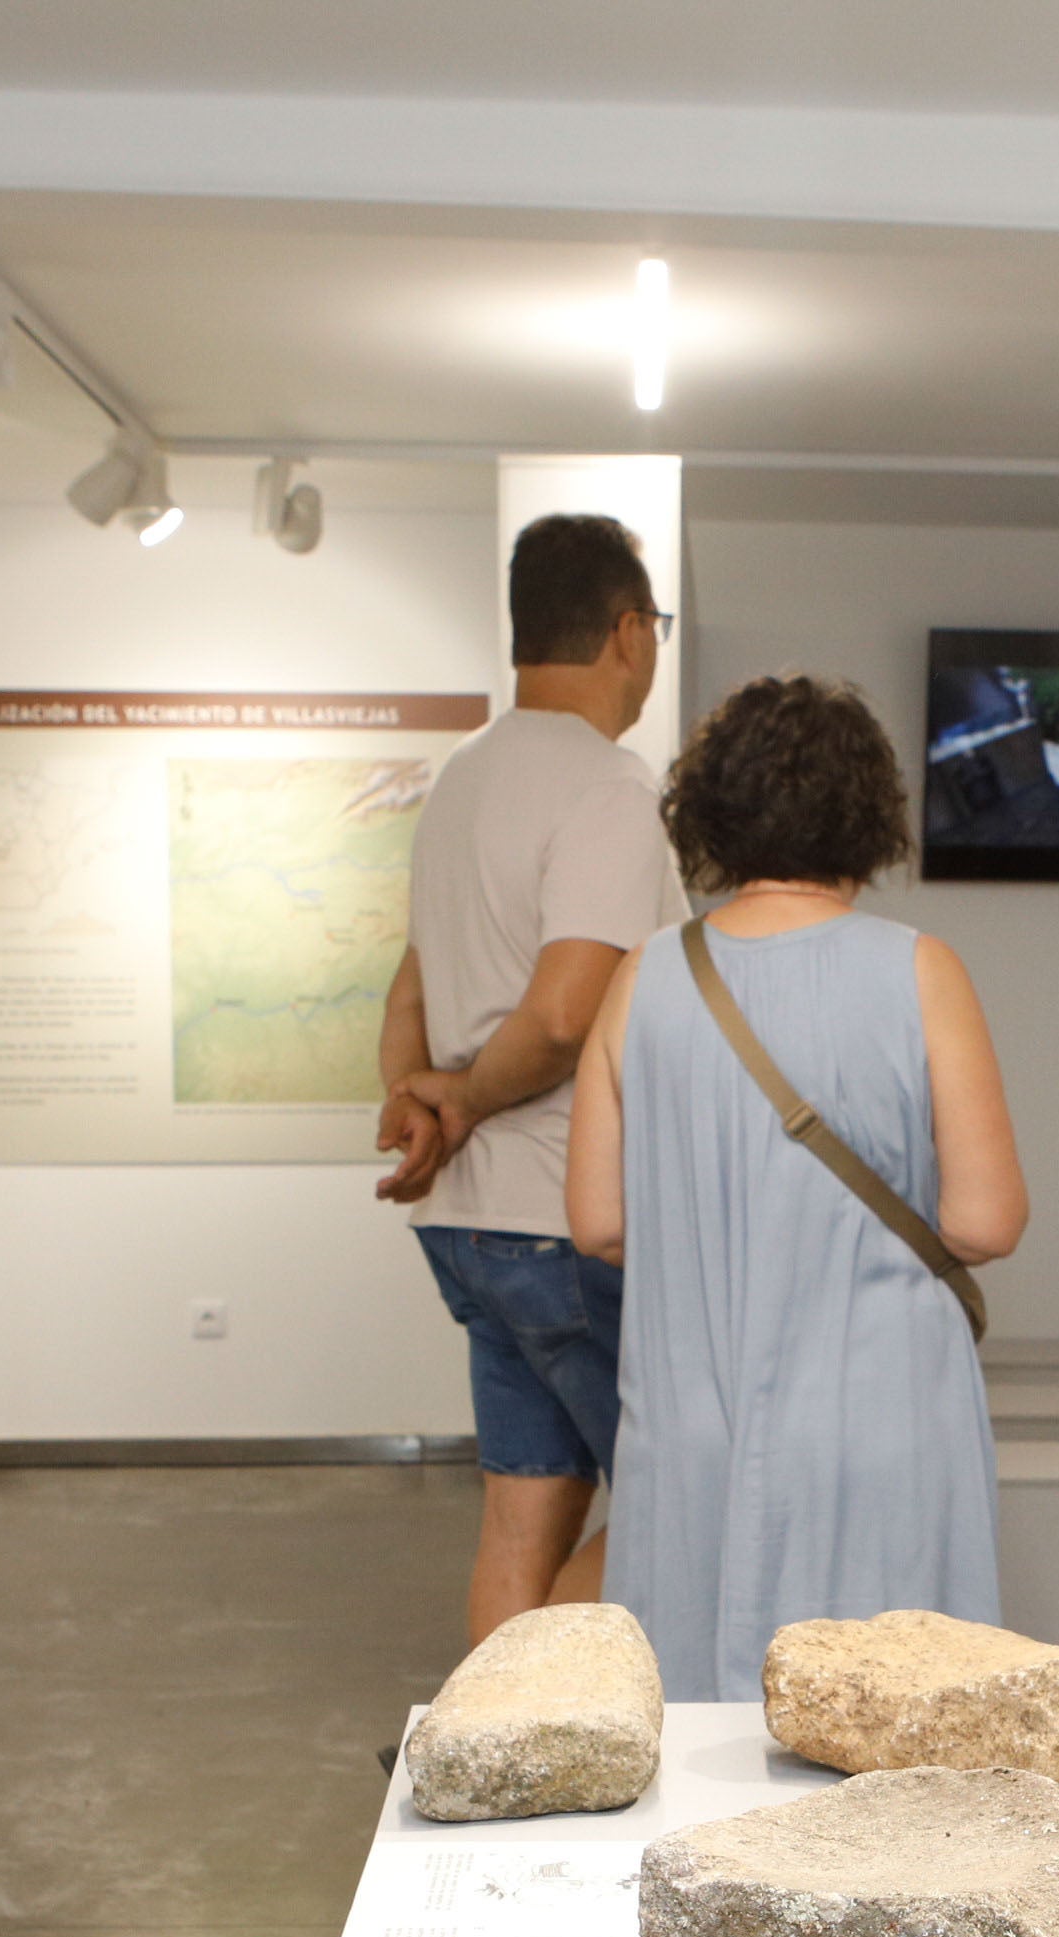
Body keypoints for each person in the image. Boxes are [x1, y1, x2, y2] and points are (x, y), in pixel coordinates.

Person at [566, 675, 1028, 1704]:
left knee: (697, 1754)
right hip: (883, 1422)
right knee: (886, 1740)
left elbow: (597, 1221)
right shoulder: (921, 968)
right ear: (869, 813)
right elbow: (984, 1220)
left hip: (693, 1428)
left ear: (712, 814)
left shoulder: (643, 977)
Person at [376, 513, 692, 1645]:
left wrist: (415, 1094)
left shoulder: (459, 781)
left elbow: (412, 979)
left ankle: (488, 1764)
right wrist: (453, 1100)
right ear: (625, 632)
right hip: (572, 1225)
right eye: (651, 625)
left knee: (522, 1512)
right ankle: (535, 1715)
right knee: (678, 1498)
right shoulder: (608, 786)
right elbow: (565, 1014)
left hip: (470, 1224)